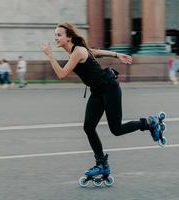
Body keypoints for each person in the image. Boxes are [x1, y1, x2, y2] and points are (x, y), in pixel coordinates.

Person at [40, 22, 166, 185]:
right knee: (88, 127)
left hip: (109, 88)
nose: (55, 38)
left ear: (68, 37)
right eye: (55, 35)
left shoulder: (77, 51)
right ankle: (102, 164)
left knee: (116, 129)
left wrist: (50, 55)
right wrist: (115, 54)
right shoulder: (77, 50)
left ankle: (150, 123)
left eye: (59, 35)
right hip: (97, 91)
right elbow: (94, 52)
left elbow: (62, 74)